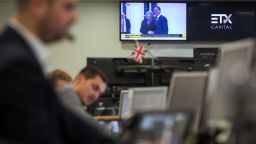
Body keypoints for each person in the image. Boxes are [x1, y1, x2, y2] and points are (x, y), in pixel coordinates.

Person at [0, 0, 116, 143]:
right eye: (68, 7)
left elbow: (65, 121)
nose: (75, 17)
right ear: (38, 5)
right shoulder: (16, 64)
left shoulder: (21, 55)